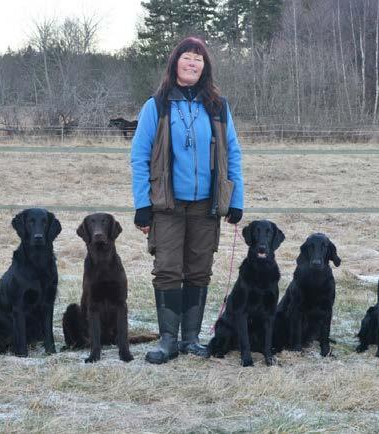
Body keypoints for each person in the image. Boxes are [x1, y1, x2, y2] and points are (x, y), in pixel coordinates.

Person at [130, 37, 244, 364]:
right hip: (166, 205)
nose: (192, 63)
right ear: (175, 64)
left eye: (198, 59)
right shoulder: (157, 105)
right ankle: (168, 340)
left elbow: (232, 153)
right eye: (186, 58)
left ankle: (191, 339)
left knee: (199, 270)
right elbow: (139, 157)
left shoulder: (218, 107)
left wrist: (235, 198)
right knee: (167, 270)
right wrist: (143, 204)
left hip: (205, 206)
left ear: (205, 67)